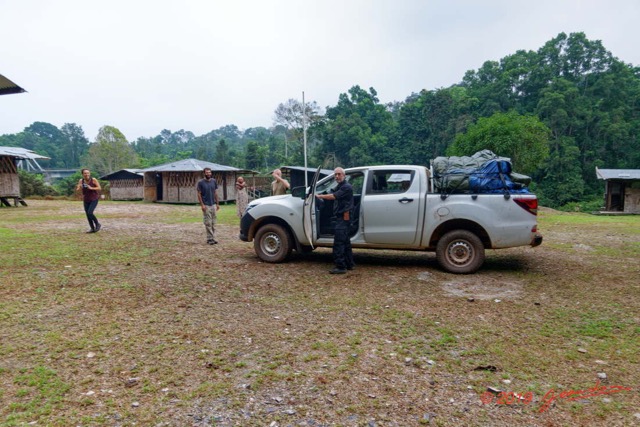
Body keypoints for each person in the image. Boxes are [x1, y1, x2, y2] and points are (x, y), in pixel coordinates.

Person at [316, 167, 355, 274]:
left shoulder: (346, 187)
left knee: (339, 242)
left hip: (344, 217)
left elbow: (333, 196)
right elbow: (332, 191)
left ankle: (341, 267)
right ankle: (349, 264)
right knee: (346, 242)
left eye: (339, 174)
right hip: (343, 217)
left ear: (344, 175)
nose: (337, 176)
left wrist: (319, 196)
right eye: (335, 174)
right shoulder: (340, 186)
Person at [196, 167, 220, 244]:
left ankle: (212, 237)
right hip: (206, 205)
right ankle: (209, 239)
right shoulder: (201, 182)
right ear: (204, 173)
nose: (208, 174)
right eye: (207, 172)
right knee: (208, 222)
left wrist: (217, 203)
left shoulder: (214, 181)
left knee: (213, 222)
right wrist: (202, 205)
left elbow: (215, 192)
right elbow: (199, 194)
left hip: (213, 204)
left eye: (209, 172)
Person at [75, 168, 102, 233]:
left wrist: (91, 188)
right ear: (82, 174)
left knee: (90, 212)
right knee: (87, 214)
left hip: (94, 199)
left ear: (89, 173)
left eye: (88, 173)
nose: (86, 174)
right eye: (85, 173)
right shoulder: (81, 180)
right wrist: (80, 187)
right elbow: (78, 189)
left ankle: (97, 224)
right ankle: (92, 228)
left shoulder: (93, 180)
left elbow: (99, 188)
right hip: (86, 199)